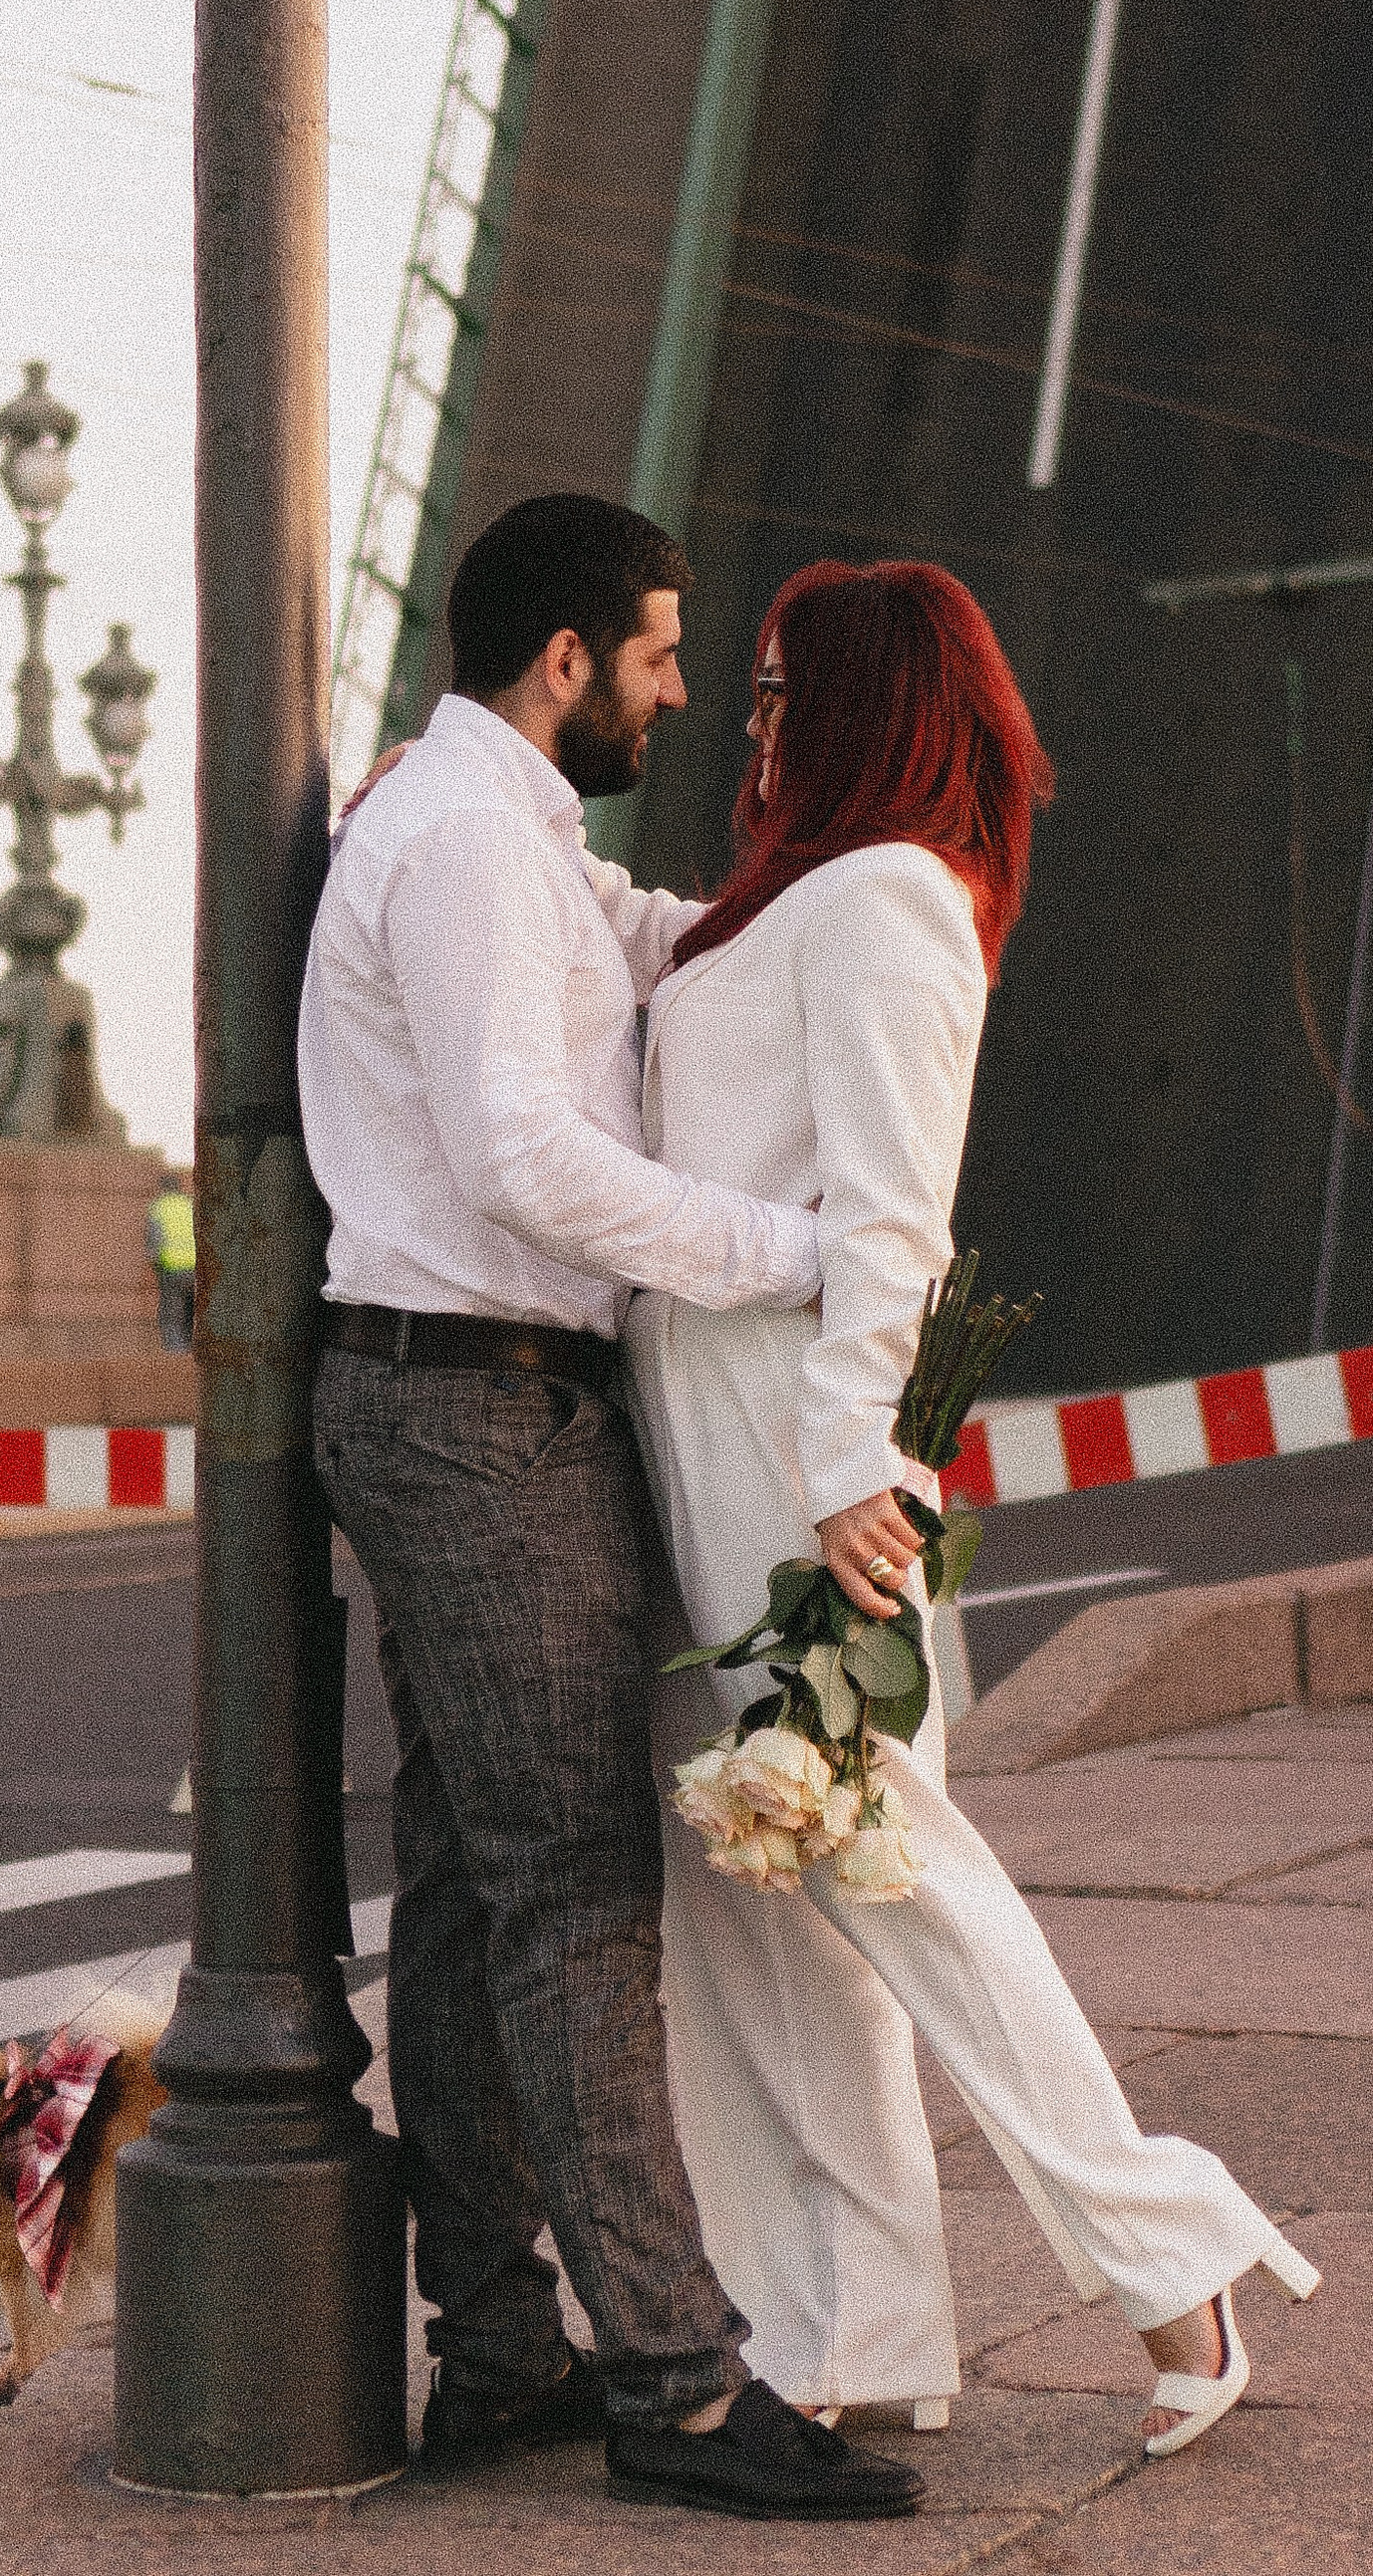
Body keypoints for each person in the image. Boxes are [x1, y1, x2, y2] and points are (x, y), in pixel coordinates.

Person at [625, 560, 1319, 2459]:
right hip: (706, 1420)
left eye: (779, 689)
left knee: (882, 1859)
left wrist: (857, 1461)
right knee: (756, 1891)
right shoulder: (786, 908)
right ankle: (847, 2325)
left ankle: (1169, 2257)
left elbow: (895, 1212)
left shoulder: (888, 903)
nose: (749, 718)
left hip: (794, 1436)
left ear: (863, 703)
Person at [299, 493, 924, 2524]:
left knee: (484, 1895)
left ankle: (496, 2349)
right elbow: (514, 1155)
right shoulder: (470, 839)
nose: (674, 687)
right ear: (565, 661)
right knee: (576, 1896)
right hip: (476, 1410)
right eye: (659, 657)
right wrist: (792, 1249)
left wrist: (811, 897)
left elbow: (660, 949)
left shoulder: (515, 838)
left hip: (456, 1405)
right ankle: (672, 2380)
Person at [145, 1172, 195, 1353]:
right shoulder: (189, 1204)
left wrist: (153, 1261)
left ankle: (176, 1350)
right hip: (195, 1267)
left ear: (162, 1187)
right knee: (192, 1308)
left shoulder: (158, 1207)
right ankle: (191, 1346)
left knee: (171, 1308)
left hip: (172, 1267)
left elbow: (155, 1240)